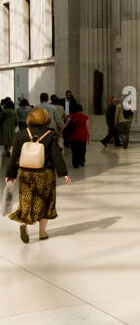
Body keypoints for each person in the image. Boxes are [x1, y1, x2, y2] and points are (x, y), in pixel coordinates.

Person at [5, 105, 71, 243]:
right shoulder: (50, 134)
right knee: (45, 202)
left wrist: (10, 174)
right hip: (45, 173)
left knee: (26, 200)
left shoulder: (21, 134)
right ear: (45, 119)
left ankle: (24, 224)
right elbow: (56, 155)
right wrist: (64, 173)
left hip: (26, 172)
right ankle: (42, 232)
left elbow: (14, 156)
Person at [62, 101, 89, 168]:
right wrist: (88, 135)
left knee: (74, 150)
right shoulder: (85, 117)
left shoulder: (72, 116)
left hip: (73, 136)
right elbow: (87, 127)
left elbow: (66, 124)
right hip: (82, 136)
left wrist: (61, 131)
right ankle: (81, 161)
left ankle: (75, 163)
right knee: (82, 149)